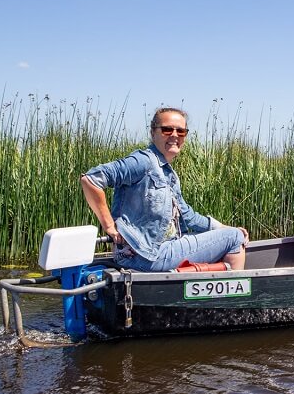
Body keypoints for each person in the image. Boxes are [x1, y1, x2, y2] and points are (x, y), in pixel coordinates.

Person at [80, 107, 249, 271]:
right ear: (153, 133)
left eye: (181, 131)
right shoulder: (143, 161)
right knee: (235, 237)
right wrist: (109, 226)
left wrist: (222, 227)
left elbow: (188, 216)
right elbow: (91, 180)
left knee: (230, 232)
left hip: (157, 249)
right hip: (146, 255)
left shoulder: (167, 172)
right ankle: (236, 290)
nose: (174, 135)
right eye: (167, 130)